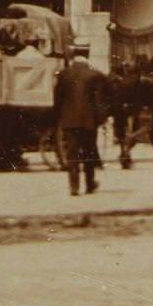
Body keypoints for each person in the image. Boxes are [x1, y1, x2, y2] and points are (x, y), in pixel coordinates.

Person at [54, 40, 109, 195]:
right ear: (88, 54)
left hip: (69, 121)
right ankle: (89, 184)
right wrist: (101, 119)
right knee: (89, 152)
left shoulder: (64, 74)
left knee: (72, 153)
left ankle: (74, 187)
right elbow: (100, 101)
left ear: (74, 55)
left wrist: (59, 118)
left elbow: (57, 100)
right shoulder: (95, 75)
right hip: (89, 121)